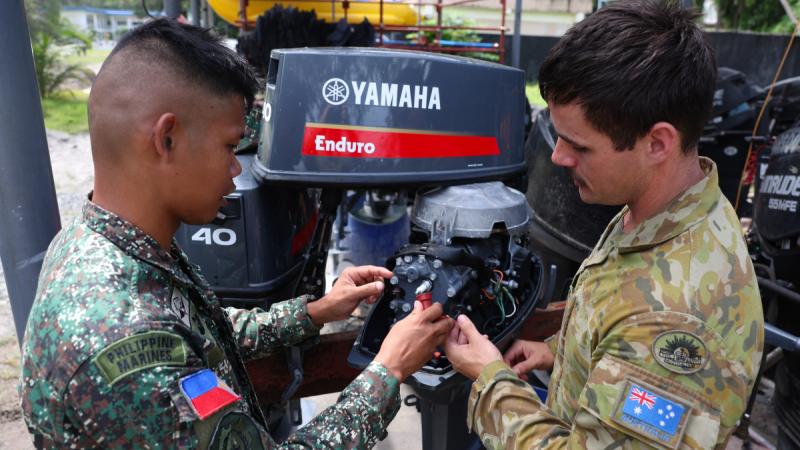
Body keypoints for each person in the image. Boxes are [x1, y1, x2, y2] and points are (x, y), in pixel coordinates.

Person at [19, 19, 453, 448]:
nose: (235, 172)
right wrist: (388, 371)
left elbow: (197, 334)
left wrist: (315, 311)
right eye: (230, 147)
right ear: (166, 138)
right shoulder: (126, 346)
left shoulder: (99, 242)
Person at [443, 1, 764, 448]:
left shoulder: (673, 322)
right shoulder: (660, 205)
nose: (557, 157)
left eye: (579, 146)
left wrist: (490, 378)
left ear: (657, 143)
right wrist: (559, 353)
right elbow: (617, 321)